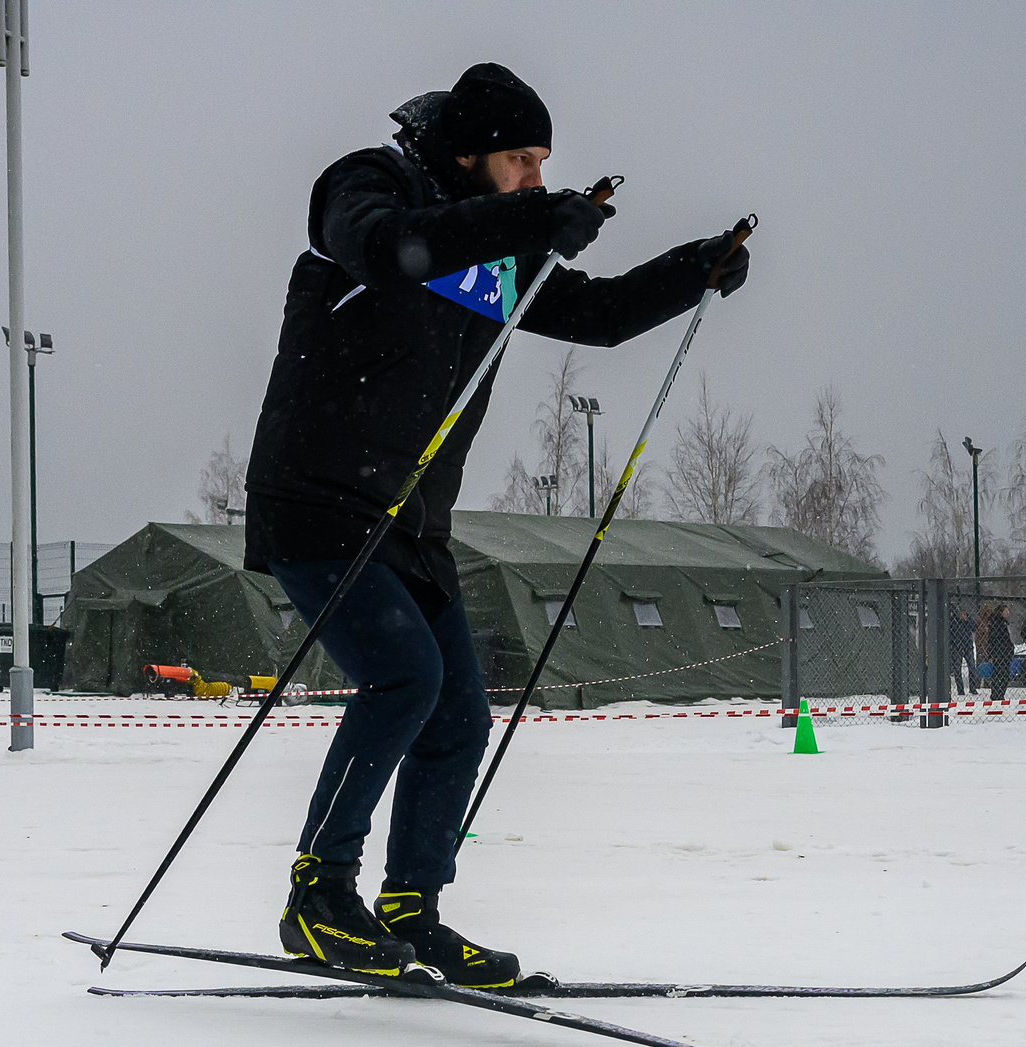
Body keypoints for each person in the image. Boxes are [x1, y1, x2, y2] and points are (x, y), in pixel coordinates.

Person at [242, 62, 750, 982]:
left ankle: (411, 908)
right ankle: (319, 895)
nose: (536, 179)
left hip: (408, 520)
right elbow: (385, 246)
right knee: (405, 677)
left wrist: (693, 270)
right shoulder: (367, 186)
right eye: (521, 160)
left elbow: (594, 314)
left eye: (544, 163)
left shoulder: (495, 251)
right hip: (316, 500)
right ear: (469, 152)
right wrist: (524, 221)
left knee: (459, 711)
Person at [981, 601, 1015, 702]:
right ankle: (997, 694)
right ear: (1001, 612)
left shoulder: (1001, 623)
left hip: (1003, 652)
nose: (1007, 612)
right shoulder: (998, 623)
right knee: (1001, 674)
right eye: (1005, 610)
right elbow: (994, 639)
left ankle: (998, 693)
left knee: (1001, 674)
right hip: (1000, 653)